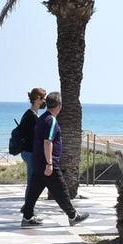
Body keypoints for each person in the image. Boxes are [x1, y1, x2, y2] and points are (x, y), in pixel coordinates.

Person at [20, 91, 89, 227]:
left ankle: (27, 217)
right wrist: (49, 163)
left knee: (34, 190)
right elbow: (47, 141)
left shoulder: (42, 118)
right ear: (60, 106)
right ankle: (73, 216)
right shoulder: (51, 120)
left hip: (38, 161)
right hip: (48, 163)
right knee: (61, 189)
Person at [16, 88, 46, 182]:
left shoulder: (31, 114)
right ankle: (30, 196)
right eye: (43, 98)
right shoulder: (31, 116)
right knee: (32, 179)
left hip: (28, 151)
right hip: (29, 152)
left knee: (33, 178)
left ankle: (31, 196)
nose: (44, 101)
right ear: (37, 99)